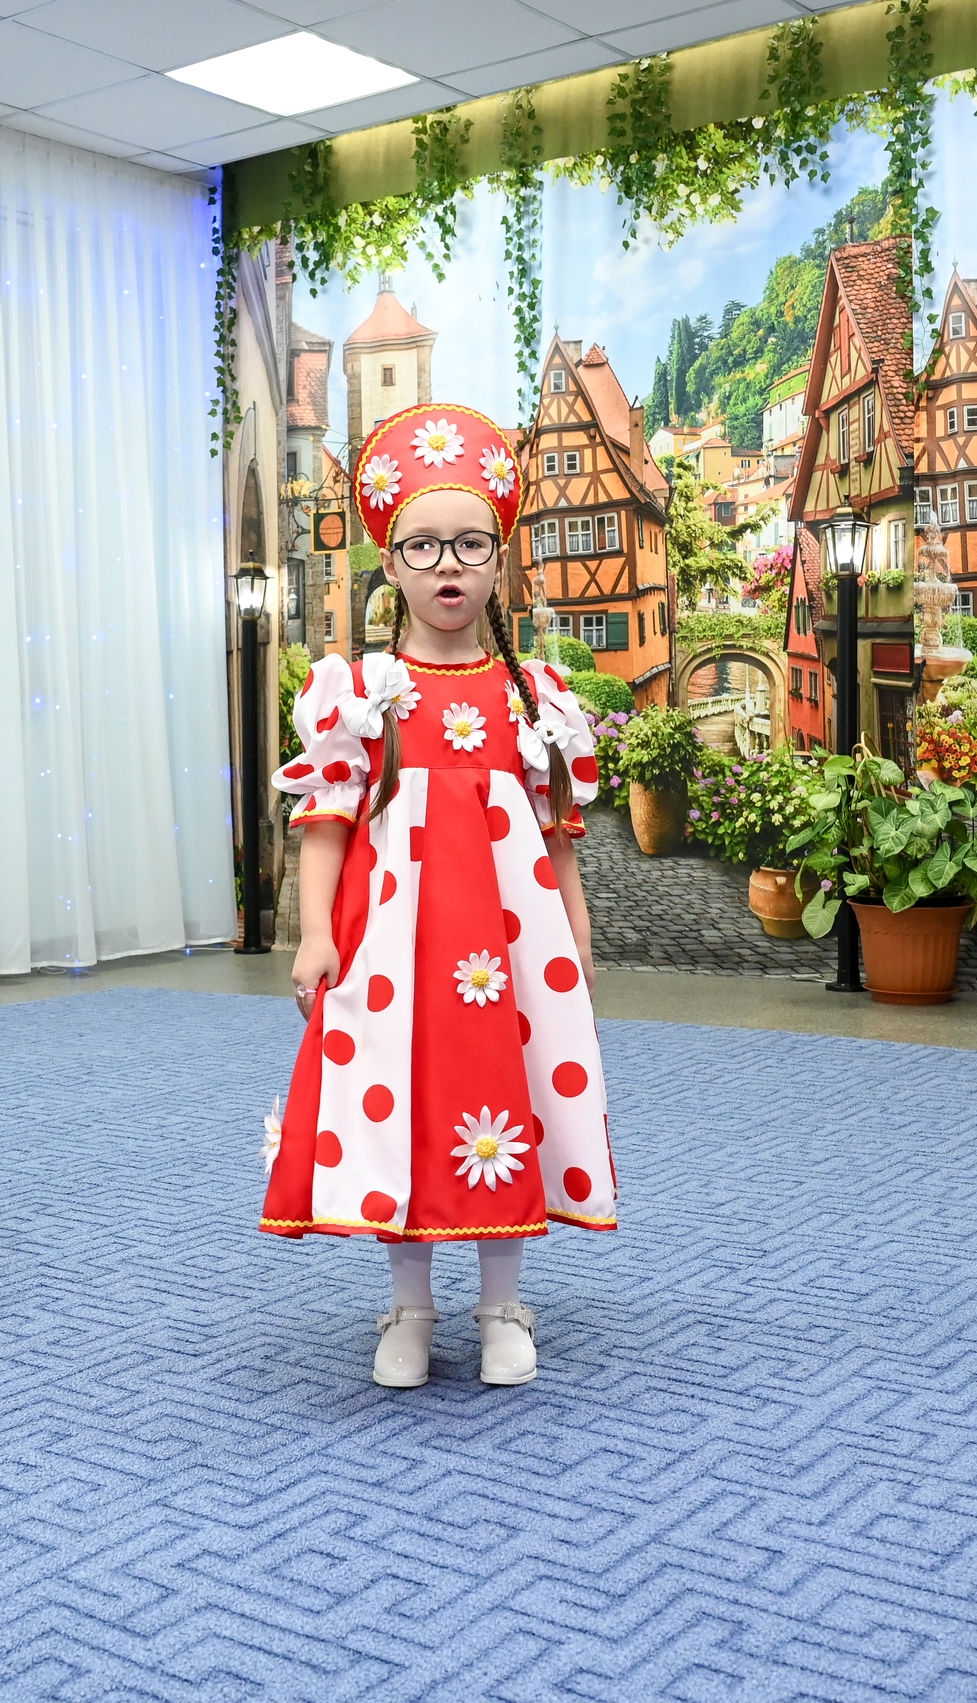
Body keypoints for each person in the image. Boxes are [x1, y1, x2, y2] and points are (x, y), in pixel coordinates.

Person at [266, 404, 612, 1390]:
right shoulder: (363, 690)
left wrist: (578, 933)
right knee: (403, 1098)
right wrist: (314, 936)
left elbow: (556, 833)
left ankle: (500, 1304)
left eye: (469, 544)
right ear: (392, 563)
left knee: (508, 1094)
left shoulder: (532, 693)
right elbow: (328, 820)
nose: (447, 565)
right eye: (423, 545)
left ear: (500, 562)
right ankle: (410, 1305)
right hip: (394, 940)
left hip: (509, 943)